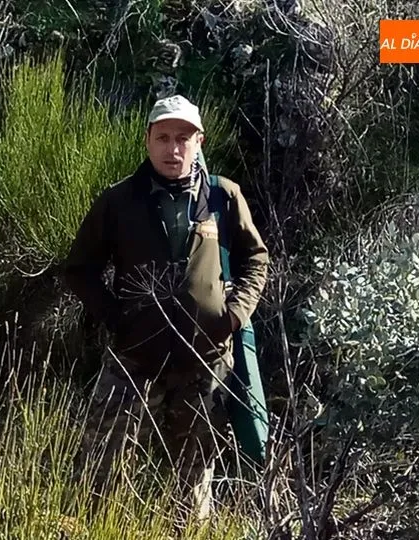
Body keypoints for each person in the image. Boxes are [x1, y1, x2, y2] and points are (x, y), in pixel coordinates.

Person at [65, 95, 269, 521]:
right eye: (162, 138)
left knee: (193, 482)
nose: (172, 149)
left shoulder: (222, 196)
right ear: (147, 141)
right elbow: (79, 269)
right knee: (98, 477)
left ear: (199, 142)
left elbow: (256, 258)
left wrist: (233, 315)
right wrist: (117, 319)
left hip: (205, 364)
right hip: (134, 360)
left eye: (182, 138)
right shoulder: (119, 200)